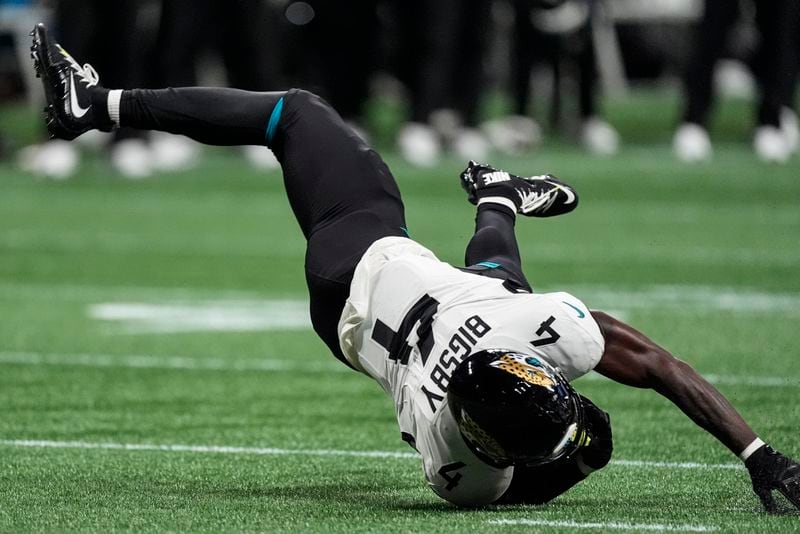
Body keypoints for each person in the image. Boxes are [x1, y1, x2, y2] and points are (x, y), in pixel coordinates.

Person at [30, 23, 800, 511]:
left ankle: (96, 106)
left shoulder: (461, 446)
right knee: (503, 285)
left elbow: (649, 376)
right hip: (347, 326)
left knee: (294, 112)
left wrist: (583, 458)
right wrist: (750, 454)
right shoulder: (464, 454)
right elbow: (647, 376)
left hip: (361, 257)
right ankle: (495, 198)